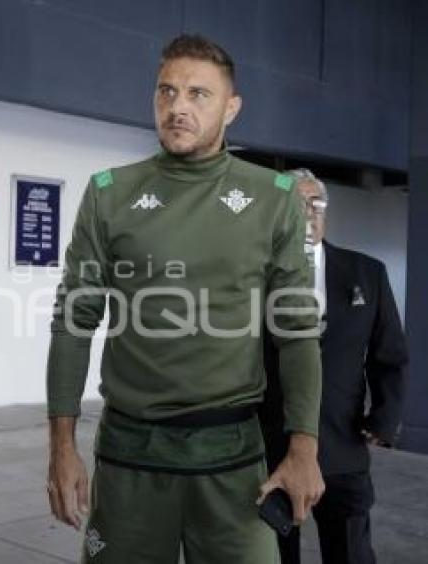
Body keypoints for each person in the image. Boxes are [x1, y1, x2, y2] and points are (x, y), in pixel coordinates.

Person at [45, 34, 325, 563]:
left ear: (231, 108)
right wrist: (61, 448)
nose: (177, 107)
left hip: (232, 459)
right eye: (166, 92)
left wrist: (303, 447)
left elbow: (296, 331)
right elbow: (73, 321)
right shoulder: (109, 193)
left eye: (199, 94)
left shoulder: (274, 198)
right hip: (129, 455)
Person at [261, 169, 408, 564]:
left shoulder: (367, 273)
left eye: (315, 204)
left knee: (352, 553)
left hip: (342, 445)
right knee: (274, 554)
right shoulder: (255, 277)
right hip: (271, 445)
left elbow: (389, 354)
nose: (307, 213)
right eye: (295, 206)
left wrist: (383, 419)